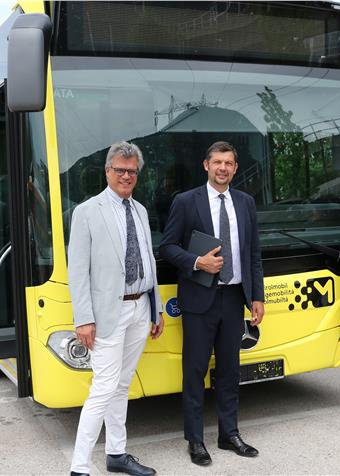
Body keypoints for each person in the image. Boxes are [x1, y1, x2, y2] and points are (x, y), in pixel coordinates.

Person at [160, 141, 265, 466]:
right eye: (217, 162)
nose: (223, 168)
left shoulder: (245, 202)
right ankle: (195, 440)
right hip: (198, 298)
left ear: (234, 168)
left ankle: (228, 434)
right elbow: (167, 247)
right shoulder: (186, 201)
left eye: (229, 163)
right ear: (206, 165)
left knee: (231, 371)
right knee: (194, 372)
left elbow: (253, 254)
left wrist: (257, 296)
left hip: (234, 298)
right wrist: (197, 262)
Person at [68, 141, 165, 476]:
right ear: (107, 171)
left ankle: (116, 454)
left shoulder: (138, 210)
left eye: (132, 171)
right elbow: (77, 271)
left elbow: (149, 261)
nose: (126, 176)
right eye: (120, 170)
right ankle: (79, 466)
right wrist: (83, 319)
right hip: (107, 314)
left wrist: (157, 309)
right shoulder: (87, 212)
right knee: (104, 387)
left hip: (140, 308)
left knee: (122, 384)